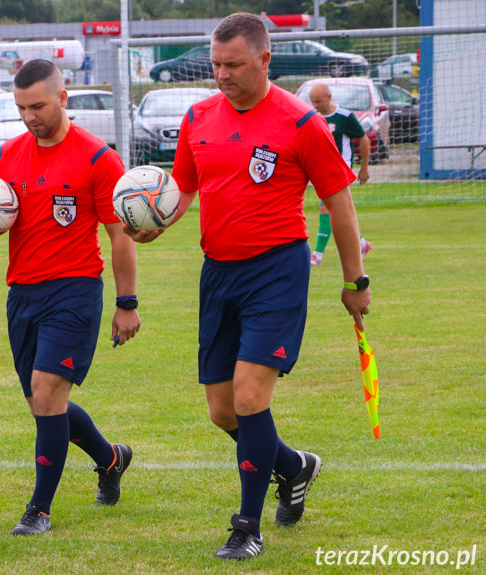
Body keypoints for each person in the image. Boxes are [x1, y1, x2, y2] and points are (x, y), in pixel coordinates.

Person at [126, 13, 372, 560]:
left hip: (276, 271)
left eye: (233, 64)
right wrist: (152, 225)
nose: (222, 75)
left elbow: (339, 201)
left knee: (249, 394)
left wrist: (355, 279)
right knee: (222, 410)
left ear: (264, 60)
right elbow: (184, 191)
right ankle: (294, 465)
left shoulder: (299, 121)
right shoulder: (198, 117)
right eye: (215, 64)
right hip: (218, 272)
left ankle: (246, 526)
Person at [0, 59, 140, 536]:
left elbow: (120, 235)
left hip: (74, 291)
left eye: (38, 105)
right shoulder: (7, 156)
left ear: (62, 97)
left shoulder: (98, 158)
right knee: (39, 400)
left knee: (49, 395)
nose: (30, 116)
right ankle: (111, 458)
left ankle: (39, 510)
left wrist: (127, 303)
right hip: (22, 294)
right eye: (21, 107)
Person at [308, 82, 373, 266]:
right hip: (322, 169)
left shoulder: (344, 116)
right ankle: (362, 243)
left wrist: (364, 168)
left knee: (326, 208)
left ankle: (317, 255)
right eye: (312, 101)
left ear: (329, 98)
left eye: (318, 101)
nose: (315, 105)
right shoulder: (313, 116)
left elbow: (363, 139)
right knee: (338, 211)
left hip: (340, 169)